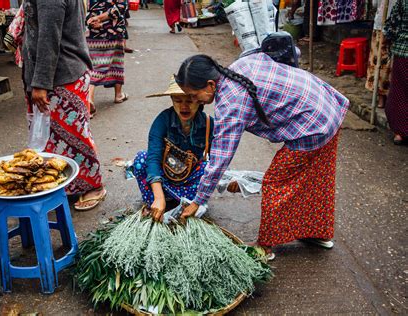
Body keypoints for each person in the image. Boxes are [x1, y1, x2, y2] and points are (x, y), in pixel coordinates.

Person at [175, 54, 349, 260]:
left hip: (313, 124)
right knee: (315, 177)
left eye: (194, 95)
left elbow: (220, 158)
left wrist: (199, 200)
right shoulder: (240, 65)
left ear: (211, 84)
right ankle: (316, 233)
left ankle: (265, 246)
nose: (194, 101)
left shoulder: (231, 103)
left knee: (275, 182)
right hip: (325, 103)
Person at [23, 0, 106, 210]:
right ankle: (67, 184)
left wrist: (40, 83)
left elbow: (49, 38)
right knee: (54, 138)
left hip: (61, 76)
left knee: (74, 136)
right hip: (58, 74)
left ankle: (93, 186)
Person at [132, 77, 214, 222]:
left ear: (199, 100)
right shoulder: (162, 120)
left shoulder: (209, 124)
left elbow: (218, 159)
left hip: (189, 178)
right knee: (141, 160)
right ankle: (158, 201)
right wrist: (158, 197)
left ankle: (187, 201)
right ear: (171, 99)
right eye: (177, 100)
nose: (184, 106)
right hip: (163, 175)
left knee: (208, 168)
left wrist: (227, 179)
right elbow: (153, 157)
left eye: (189, 101)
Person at [86, 0, 129, 116]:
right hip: (113, 31)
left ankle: (92, 98)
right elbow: (120, 7)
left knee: (94, 65)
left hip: (93, 32)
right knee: (116, 62)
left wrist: (92, 20)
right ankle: (116, 95)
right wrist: (100, 19)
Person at [383, 0, 408, 145]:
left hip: (403, 51)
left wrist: (388, 39)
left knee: (400, 93)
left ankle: (400, 133)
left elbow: (392, 24)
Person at [365, 0, 395, 109]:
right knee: (384, 63)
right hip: (391, 27)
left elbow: (374, 4)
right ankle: (383, 96)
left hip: (384, 26)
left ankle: (382, 97)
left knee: (380, 62)